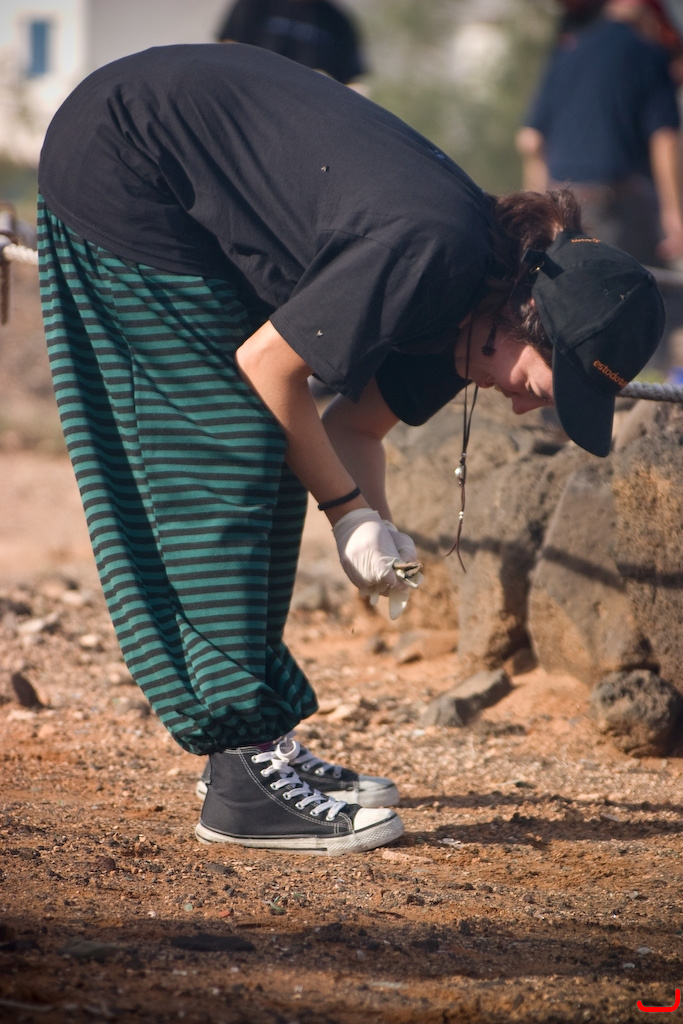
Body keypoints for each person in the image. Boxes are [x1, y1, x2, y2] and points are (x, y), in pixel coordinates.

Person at [37, 44, 664, 856]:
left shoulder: (479, 304)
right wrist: (344, 513)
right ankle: (240, 774)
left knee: (269, 443)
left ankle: (258, 742)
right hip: (124, 156)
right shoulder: (432, 251)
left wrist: (379, 533)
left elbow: (351, 428)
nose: (520, 405)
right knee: (225, 453)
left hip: (172, 169)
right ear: (526, 321)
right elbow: (268, 368)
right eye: (539, 385)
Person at [516, 0, 683, 269]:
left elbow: (531, 141)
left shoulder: (567, 52)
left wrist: (539, 216)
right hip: (616, 210)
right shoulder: (647, 53)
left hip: (561, 210)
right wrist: (674, 216)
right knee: (646, 289)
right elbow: (664, 138)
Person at [215, 0, 366, 85]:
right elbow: (229, 48)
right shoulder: (254, 4)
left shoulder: (337, 21)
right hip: (253, 90)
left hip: (305, 108)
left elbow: (353, 81)